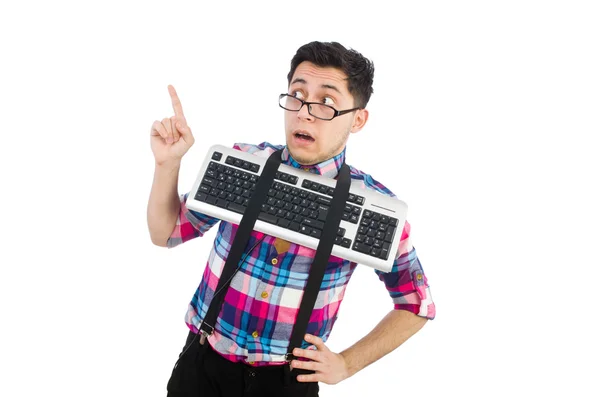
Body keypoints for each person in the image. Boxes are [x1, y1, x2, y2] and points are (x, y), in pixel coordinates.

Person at [147, 41, 436, 397]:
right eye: (297, 94)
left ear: (357, 118)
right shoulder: (242, 163)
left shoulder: (376, 207)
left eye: (326, 102)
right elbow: (167, 233)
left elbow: (416, 303)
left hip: (285, 384)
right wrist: (167, 164)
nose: (304, 112)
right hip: (202, 367)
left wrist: (347, 363)